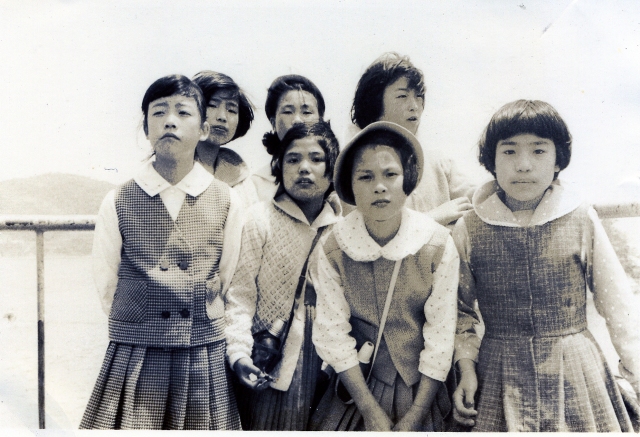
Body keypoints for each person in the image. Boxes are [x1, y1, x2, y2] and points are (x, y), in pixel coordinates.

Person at [452, 99, 640, 432]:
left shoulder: (580, 218)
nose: (523, 165)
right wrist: (466, 368)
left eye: (538, 151)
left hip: (576, 372)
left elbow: (618, 305)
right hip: (498, 374)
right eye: (509, 151)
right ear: (491, 160)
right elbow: (459, 311)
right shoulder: (469, 227)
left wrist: (636, 373)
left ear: (557, 160)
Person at [80, 75, 243, 430]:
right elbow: (107, 282)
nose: (170, 121)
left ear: (203, 129)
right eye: (158, 112)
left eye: (183, 112)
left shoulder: (226, 199)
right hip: (136, 351)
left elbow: (227, 277)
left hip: (201, 351)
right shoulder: (118, 199)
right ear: (146, 128)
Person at [310, 121, 459, 431]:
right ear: (350, 186)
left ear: (408, 179)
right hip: (357, 388)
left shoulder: (437, 244)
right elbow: (333, 334)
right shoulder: (334, 246)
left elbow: (441, 335)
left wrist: (416, 415)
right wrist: (369, 410)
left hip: (422, 388)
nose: (379, 186)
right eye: (365, 177)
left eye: (390, 174)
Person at [224, 121, 341, 430]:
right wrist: (238, 353)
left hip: (323, 367)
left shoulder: (343, 232)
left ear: (332, 170)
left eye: (316, 159)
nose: (304, 168)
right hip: (264, 359)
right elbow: (239, 295)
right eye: (293, 159)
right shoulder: (258, 219)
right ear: (278, 166)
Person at [350, 52, 474, 226]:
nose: (414, 106)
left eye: (418, 96)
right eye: (402, 96)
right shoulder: (353, 164)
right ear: (375, 104)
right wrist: (433, 219)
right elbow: (360, 231)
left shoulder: (438, 162)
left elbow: (481, 198)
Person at [251, 74, 326, 201]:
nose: (297, 120)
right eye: (287, 112)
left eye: (307, 112)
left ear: (320, 121)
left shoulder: (337, 177)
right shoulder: (256, 185)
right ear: (273, 122)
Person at [192, 70, 258, 208]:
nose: (222, 117)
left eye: (231, 110)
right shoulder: (170, 165)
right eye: (212, 105)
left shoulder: (240, 175)